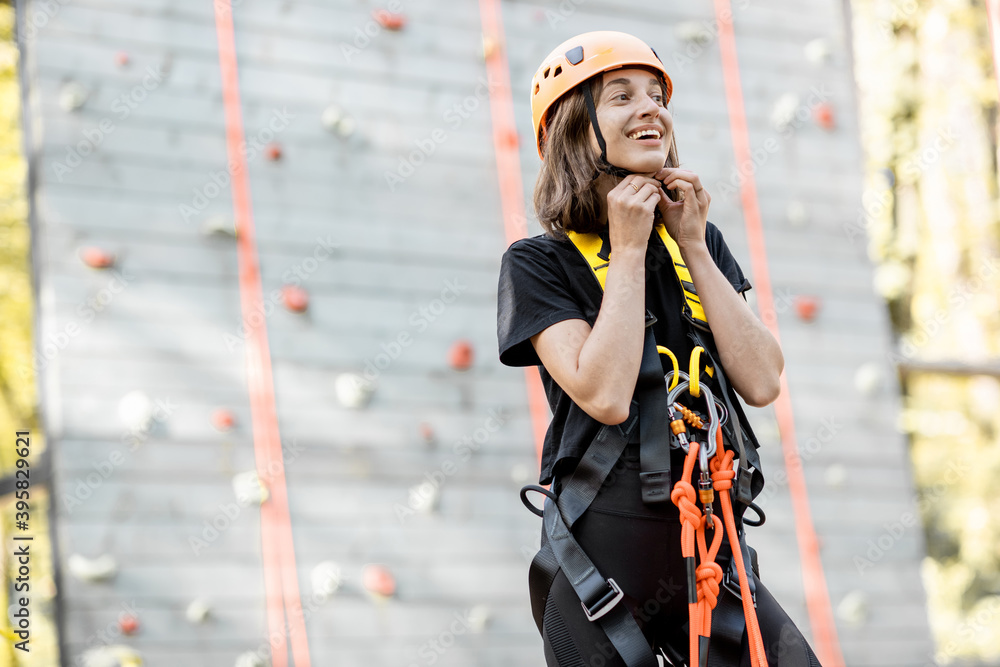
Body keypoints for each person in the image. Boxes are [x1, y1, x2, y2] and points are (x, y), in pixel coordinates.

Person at [496, 31, 822, 666]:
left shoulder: (696, 243)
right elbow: (605, 394)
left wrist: (695, 246)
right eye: (621, 97)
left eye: (656, 96)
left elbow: (761, 381)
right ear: (574, 130)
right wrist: (627, 246)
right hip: (603, 568)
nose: (651, 109)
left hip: (712, 555)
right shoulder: (538, 264)